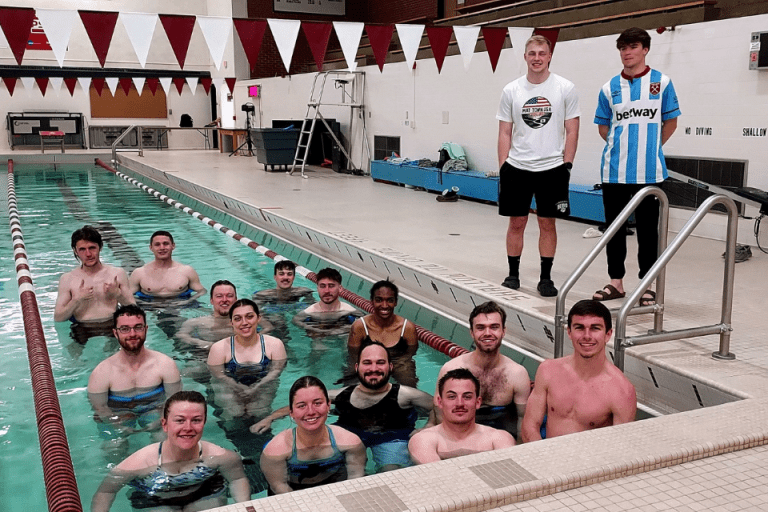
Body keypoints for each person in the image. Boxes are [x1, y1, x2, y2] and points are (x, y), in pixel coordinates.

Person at [592, 27, 681, 306]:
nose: (627, 53)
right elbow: (603, 127)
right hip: (614, 172)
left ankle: (647, 284)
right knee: (614, 229)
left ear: (645, 49)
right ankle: (615, 282)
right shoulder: (609, 88)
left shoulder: (662, 83)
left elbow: (671, 123)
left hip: (650, 172)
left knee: (647, 231)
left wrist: (649, 148)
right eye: (622, 48)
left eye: (632, 47)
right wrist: (622, 148)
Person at [253, 341, 435, 472]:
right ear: (357, 367)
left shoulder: (406, 394)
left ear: (390, 366)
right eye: (367, 363)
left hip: (393, 440)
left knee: (390, 472)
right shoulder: (341, 395)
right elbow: (301, 405)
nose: (374, 368)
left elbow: (439, 406)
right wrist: (269, 418)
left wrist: (427, 428)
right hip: (350, 443)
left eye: (380, 363)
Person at [497, 35, 581, 297]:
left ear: (549, 56)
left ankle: (545, 278)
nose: (536, 58)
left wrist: (567, 165)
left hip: (552, 168)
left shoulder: (565, 88)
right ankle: (513, 274)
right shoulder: (511, 90)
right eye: (532, 53)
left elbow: (572, 129)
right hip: (517, 167)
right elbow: (504, 132)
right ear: (525, 57)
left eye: (541, 53)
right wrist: (503, 167)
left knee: (547, 224)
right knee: (517, 223)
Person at [91, 391, 251, 511]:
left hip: (204, 492)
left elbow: (237, 479)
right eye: (180, 420)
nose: (188, 428)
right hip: (156, 499)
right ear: (165, 424)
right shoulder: (138, 463)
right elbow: (105, 492)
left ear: (204, 423)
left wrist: (244, 506)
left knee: (213, 504)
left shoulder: (222, 458)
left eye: (196, 420)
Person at [521, 300, 637, 442]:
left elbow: (620, 447)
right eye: (579, 328)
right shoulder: (548, 371)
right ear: (569, 332)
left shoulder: (622, 391)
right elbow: (530, 426)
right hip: (546, 456)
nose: (587, 336)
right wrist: (543, 458)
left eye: (595, 328)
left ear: (608, 334)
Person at [87, 305, 182, 453]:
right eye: (125, 329)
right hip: (118, 414)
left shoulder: (165, 364)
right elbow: (100, 409)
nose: (132, 333)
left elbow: (174, 400)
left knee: (165, 441)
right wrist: (118, 426)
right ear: (115, 333)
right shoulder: (102, 372)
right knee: (114, 448)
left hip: (154, 410)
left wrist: (160, 421)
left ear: (146, 329)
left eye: (138, 327)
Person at [435, 301, 531, 439]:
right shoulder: (451, 368)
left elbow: (523, 421)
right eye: (480, 328)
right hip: (459, 435)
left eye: (494, 327)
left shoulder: (517, 374)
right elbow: (440, 414)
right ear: (472, 333)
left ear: (503, 331)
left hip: (502, 436)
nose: (487, 333)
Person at [260, 376, 366, 494]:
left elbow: (356, 480)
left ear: (328, 405)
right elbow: (279, 488)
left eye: (317, 403)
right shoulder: (276, 450)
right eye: (301, 406)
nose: (310, 411)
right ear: (291, 412)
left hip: (335, 485)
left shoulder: (350, 442)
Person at [408, 369, 515, 463]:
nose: (459, 403)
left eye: (467, 397)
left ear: (478, 402)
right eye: (451, 396)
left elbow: (508, 473)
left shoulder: (500, 438)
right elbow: (438, 476)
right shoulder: (423, 439)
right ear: (440, 402)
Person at [207, 298, 287, 419]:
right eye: (238, 319)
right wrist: (238, 387)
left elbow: (275, 373)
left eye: (249, 316)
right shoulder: (218, 348)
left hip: (264, 384)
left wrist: (256, 387)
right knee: (233, 413)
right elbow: (219, 377)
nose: (244, 322)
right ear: (231, 322)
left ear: (258, 318)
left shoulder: (275, 345)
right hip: (230, 385)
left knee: (259, 412)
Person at [54, 225, 135, 326]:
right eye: (82, 249)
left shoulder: (117, 274)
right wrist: (76, 300)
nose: (88, 254)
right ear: (75, 251)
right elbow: (58, 318)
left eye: (92, 248)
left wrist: (118, 295)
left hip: (112, 325)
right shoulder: (67, 279)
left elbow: (135, 310)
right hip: (82, 327)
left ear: (100, 247)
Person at [347, 280, 418, 387]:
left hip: (399, 363)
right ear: (372, 301)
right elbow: (354, 356)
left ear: (395, 302)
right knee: (350, 385)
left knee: (409, 386)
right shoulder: (360, 326)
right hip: (369, 362)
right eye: (379, 300)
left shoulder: (407, 328)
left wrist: (393, 366)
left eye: (389, 300)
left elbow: (410, 355)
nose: (384, 306)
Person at [129, 230, 206, 302]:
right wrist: (146, 304)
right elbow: (127, 296)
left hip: (182, 305)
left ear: (173, 246)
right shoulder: (139, 273)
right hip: (150, 307)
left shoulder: (187, 271)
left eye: (166, 244)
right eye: (157, 245)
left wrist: (187, 302)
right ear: (151, 248)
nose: (162, 248)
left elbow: (202, 291)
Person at [293, 267, 360, 336]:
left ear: (340, 288)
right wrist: (313, 329)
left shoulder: (349, 310)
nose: (326, 291)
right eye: (322, 286)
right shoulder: (309, 312)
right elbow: (296, 321)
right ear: (317, 289)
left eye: (331, 286)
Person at [176, 280, 238, 351]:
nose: (224, 299)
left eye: (229, 296)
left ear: (236, 300)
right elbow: (181, 335)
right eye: (219, 296)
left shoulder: (245, 323)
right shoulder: (197, 322)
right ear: (211, 300)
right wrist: (200, 343)